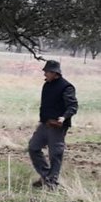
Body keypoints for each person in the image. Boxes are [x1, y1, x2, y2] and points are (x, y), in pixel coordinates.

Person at [29, 60, 78, 189]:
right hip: (45, 123)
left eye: (46, 72)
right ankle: (46, 176)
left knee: (55, 153)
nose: (44, 74)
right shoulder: (47, 85)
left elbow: (73, 106)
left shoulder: (67, 87)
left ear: (54, 73)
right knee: (33, 147)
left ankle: (52, 183)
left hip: (57, 126)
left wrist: (64, 117)